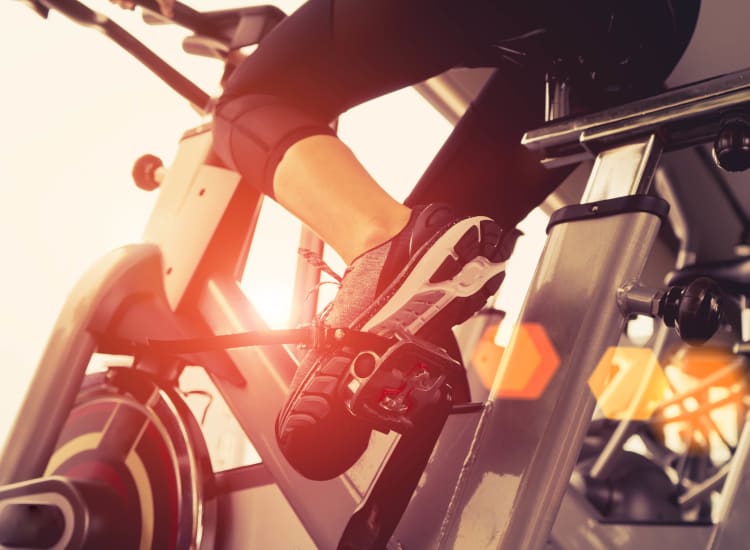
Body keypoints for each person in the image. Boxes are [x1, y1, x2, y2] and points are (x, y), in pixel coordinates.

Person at [113, 0, 699, 481]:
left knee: (250, 102)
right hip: (651, 30)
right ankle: (383, 363)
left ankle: (377, 243)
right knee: (439, 241)